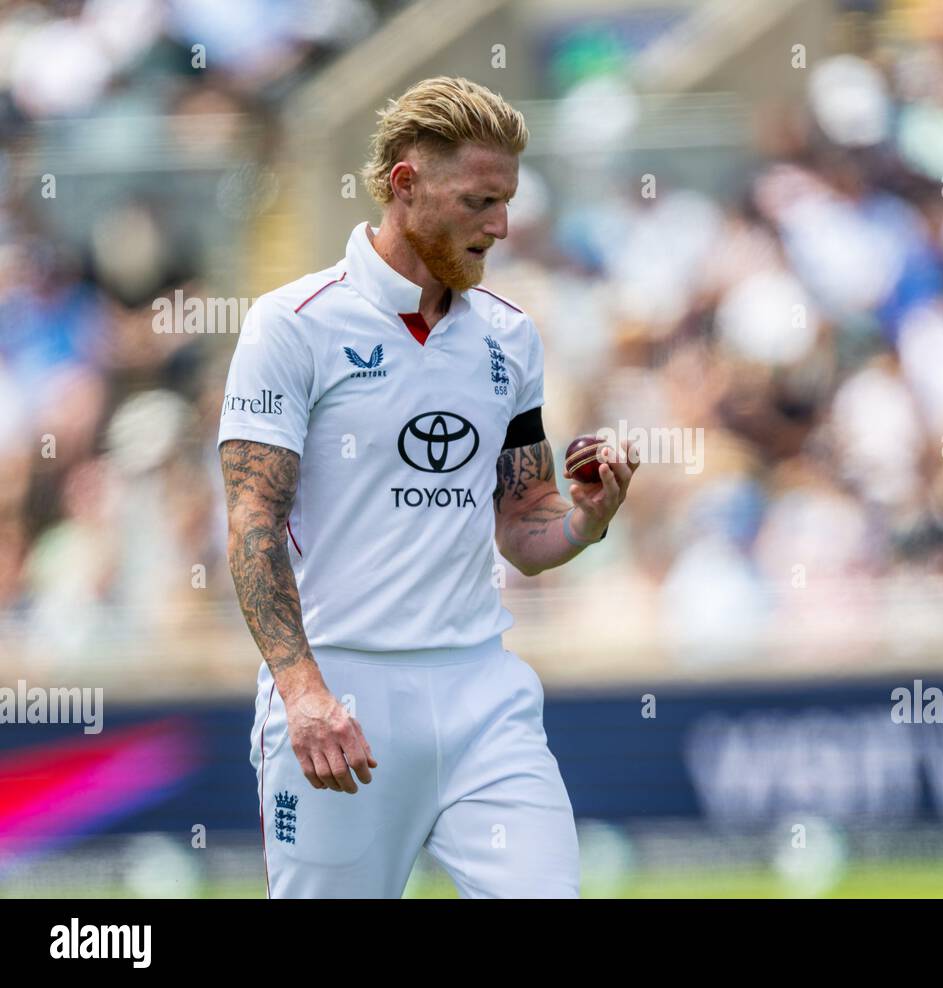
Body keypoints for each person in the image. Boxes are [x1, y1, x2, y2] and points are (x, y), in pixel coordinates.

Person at [217, 76, 637, 898]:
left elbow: (525, 524)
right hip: (342, 699)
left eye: (507, 201)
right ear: (405, 185)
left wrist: (586, 521)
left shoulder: (510, 338)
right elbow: (252, 519)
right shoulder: (293, 323)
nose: (502, 225)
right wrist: (303, 694)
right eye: (481, 200)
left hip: (483, 692)